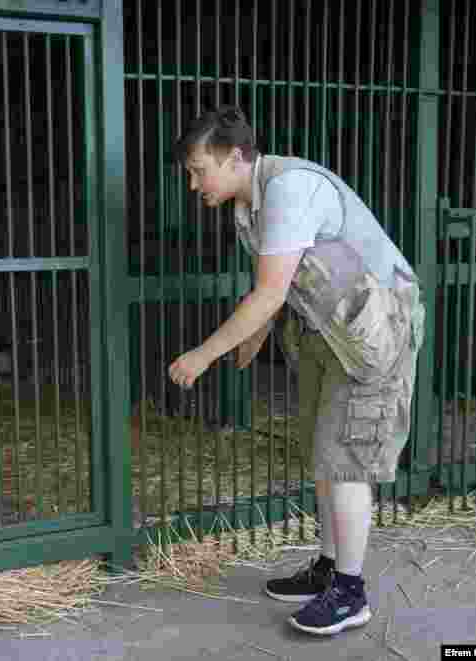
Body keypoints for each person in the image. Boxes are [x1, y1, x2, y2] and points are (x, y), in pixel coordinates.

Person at [167, 106, 424, 636]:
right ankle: (330, 569)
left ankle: (350, 594)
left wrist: (203, 354)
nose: (194, 184)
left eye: (198, 170)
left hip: (374, 328)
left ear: (234, 157)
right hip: (328, 331)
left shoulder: (288, 189)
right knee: (324, 454)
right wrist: (254, 335)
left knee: (345, 460)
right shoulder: (248, 206)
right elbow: (278, 283)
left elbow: (268, 293)